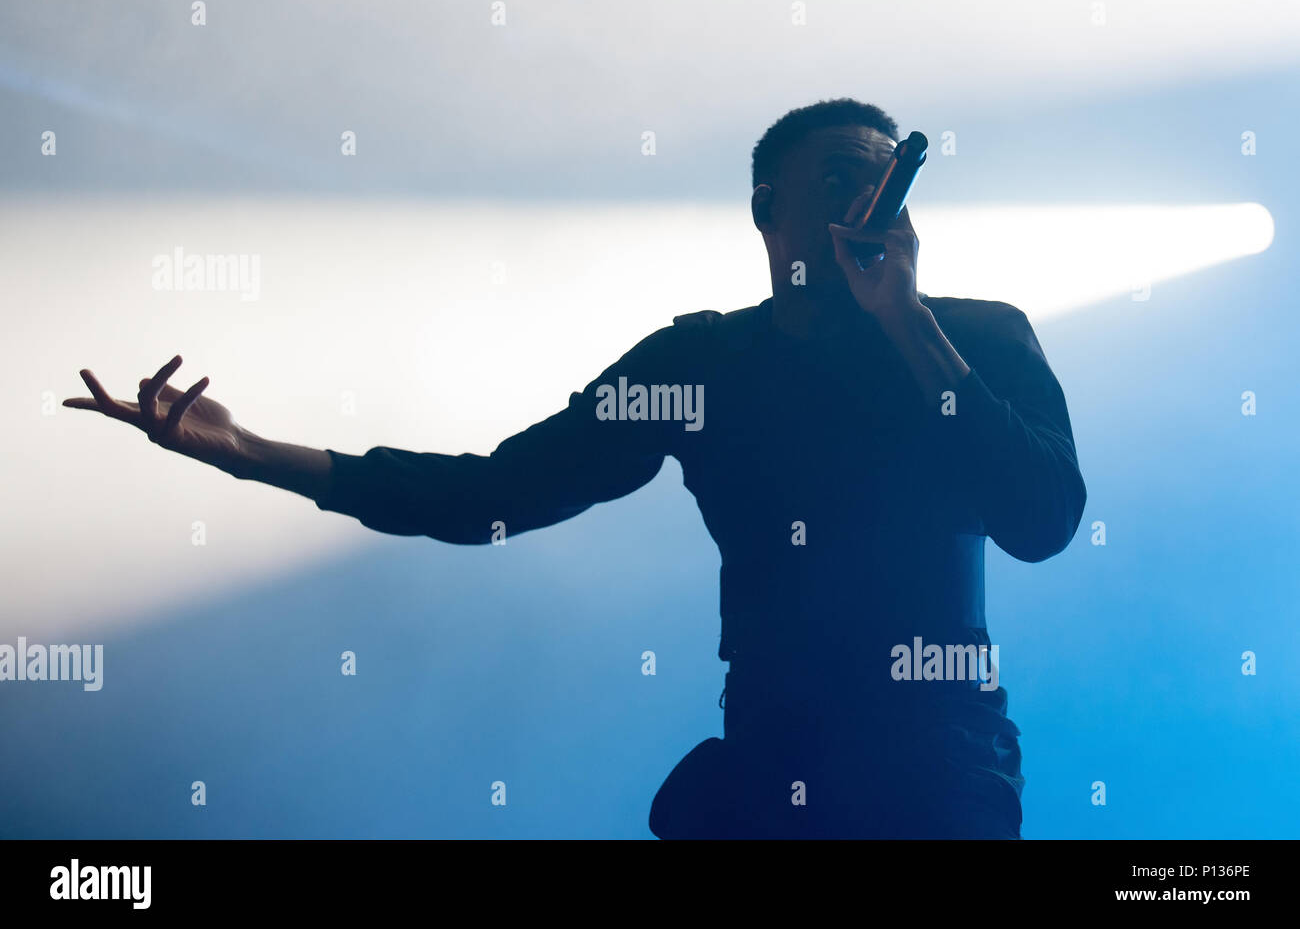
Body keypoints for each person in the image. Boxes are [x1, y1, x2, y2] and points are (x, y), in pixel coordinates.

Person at [65, 98, 1086, 838]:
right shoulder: (701, 364)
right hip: (773, 754)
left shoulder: (979, 338)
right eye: (833, 178)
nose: (859, 199)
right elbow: (495, 494)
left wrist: (904, 321)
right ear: (764, 209)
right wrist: (247, 454)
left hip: (936, 760)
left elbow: (1039, 520)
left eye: (879, 181)